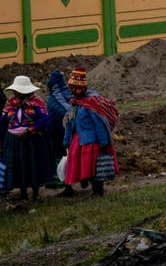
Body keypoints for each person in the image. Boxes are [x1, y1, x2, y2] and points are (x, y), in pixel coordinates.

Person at [62, 68, 119, 198]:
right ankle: (95, 191)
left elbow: (100, 124)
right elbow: (70, 123)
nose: (74, 91)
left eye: (76, 88)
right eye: (72, 88)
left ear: (83, 88)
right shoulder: (76, 104)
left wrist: (104, 142)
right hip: (79, 142)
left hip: (93, 142)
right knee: (87, 169)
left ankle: (98, 192)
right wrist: (66, 139)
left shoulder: (90, 104)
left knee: (95, 169)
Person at [2, 76, 54, 201]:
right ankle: (23, 193)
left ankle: (35, 193)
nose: (16, 93)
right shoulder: (10, 104)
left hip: (32, 140)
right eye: (15, 91)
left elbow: (45, 119)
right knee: (19, 166)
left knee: (32, 164)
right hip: (13, 141)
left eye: (18, 91)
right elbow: (3, 121)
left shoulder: (36, 103)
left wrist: (31, 130)